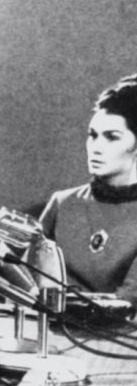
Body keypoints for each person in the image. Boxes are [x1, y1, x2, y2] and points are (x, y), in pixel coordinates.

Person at [39, 74, 137, 304]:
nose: (96, 147)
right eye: (92, 136)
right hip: (48, 332)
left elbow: (128, 301)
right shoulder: (62, 203)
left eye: (112, 137)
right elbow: (25, 280)